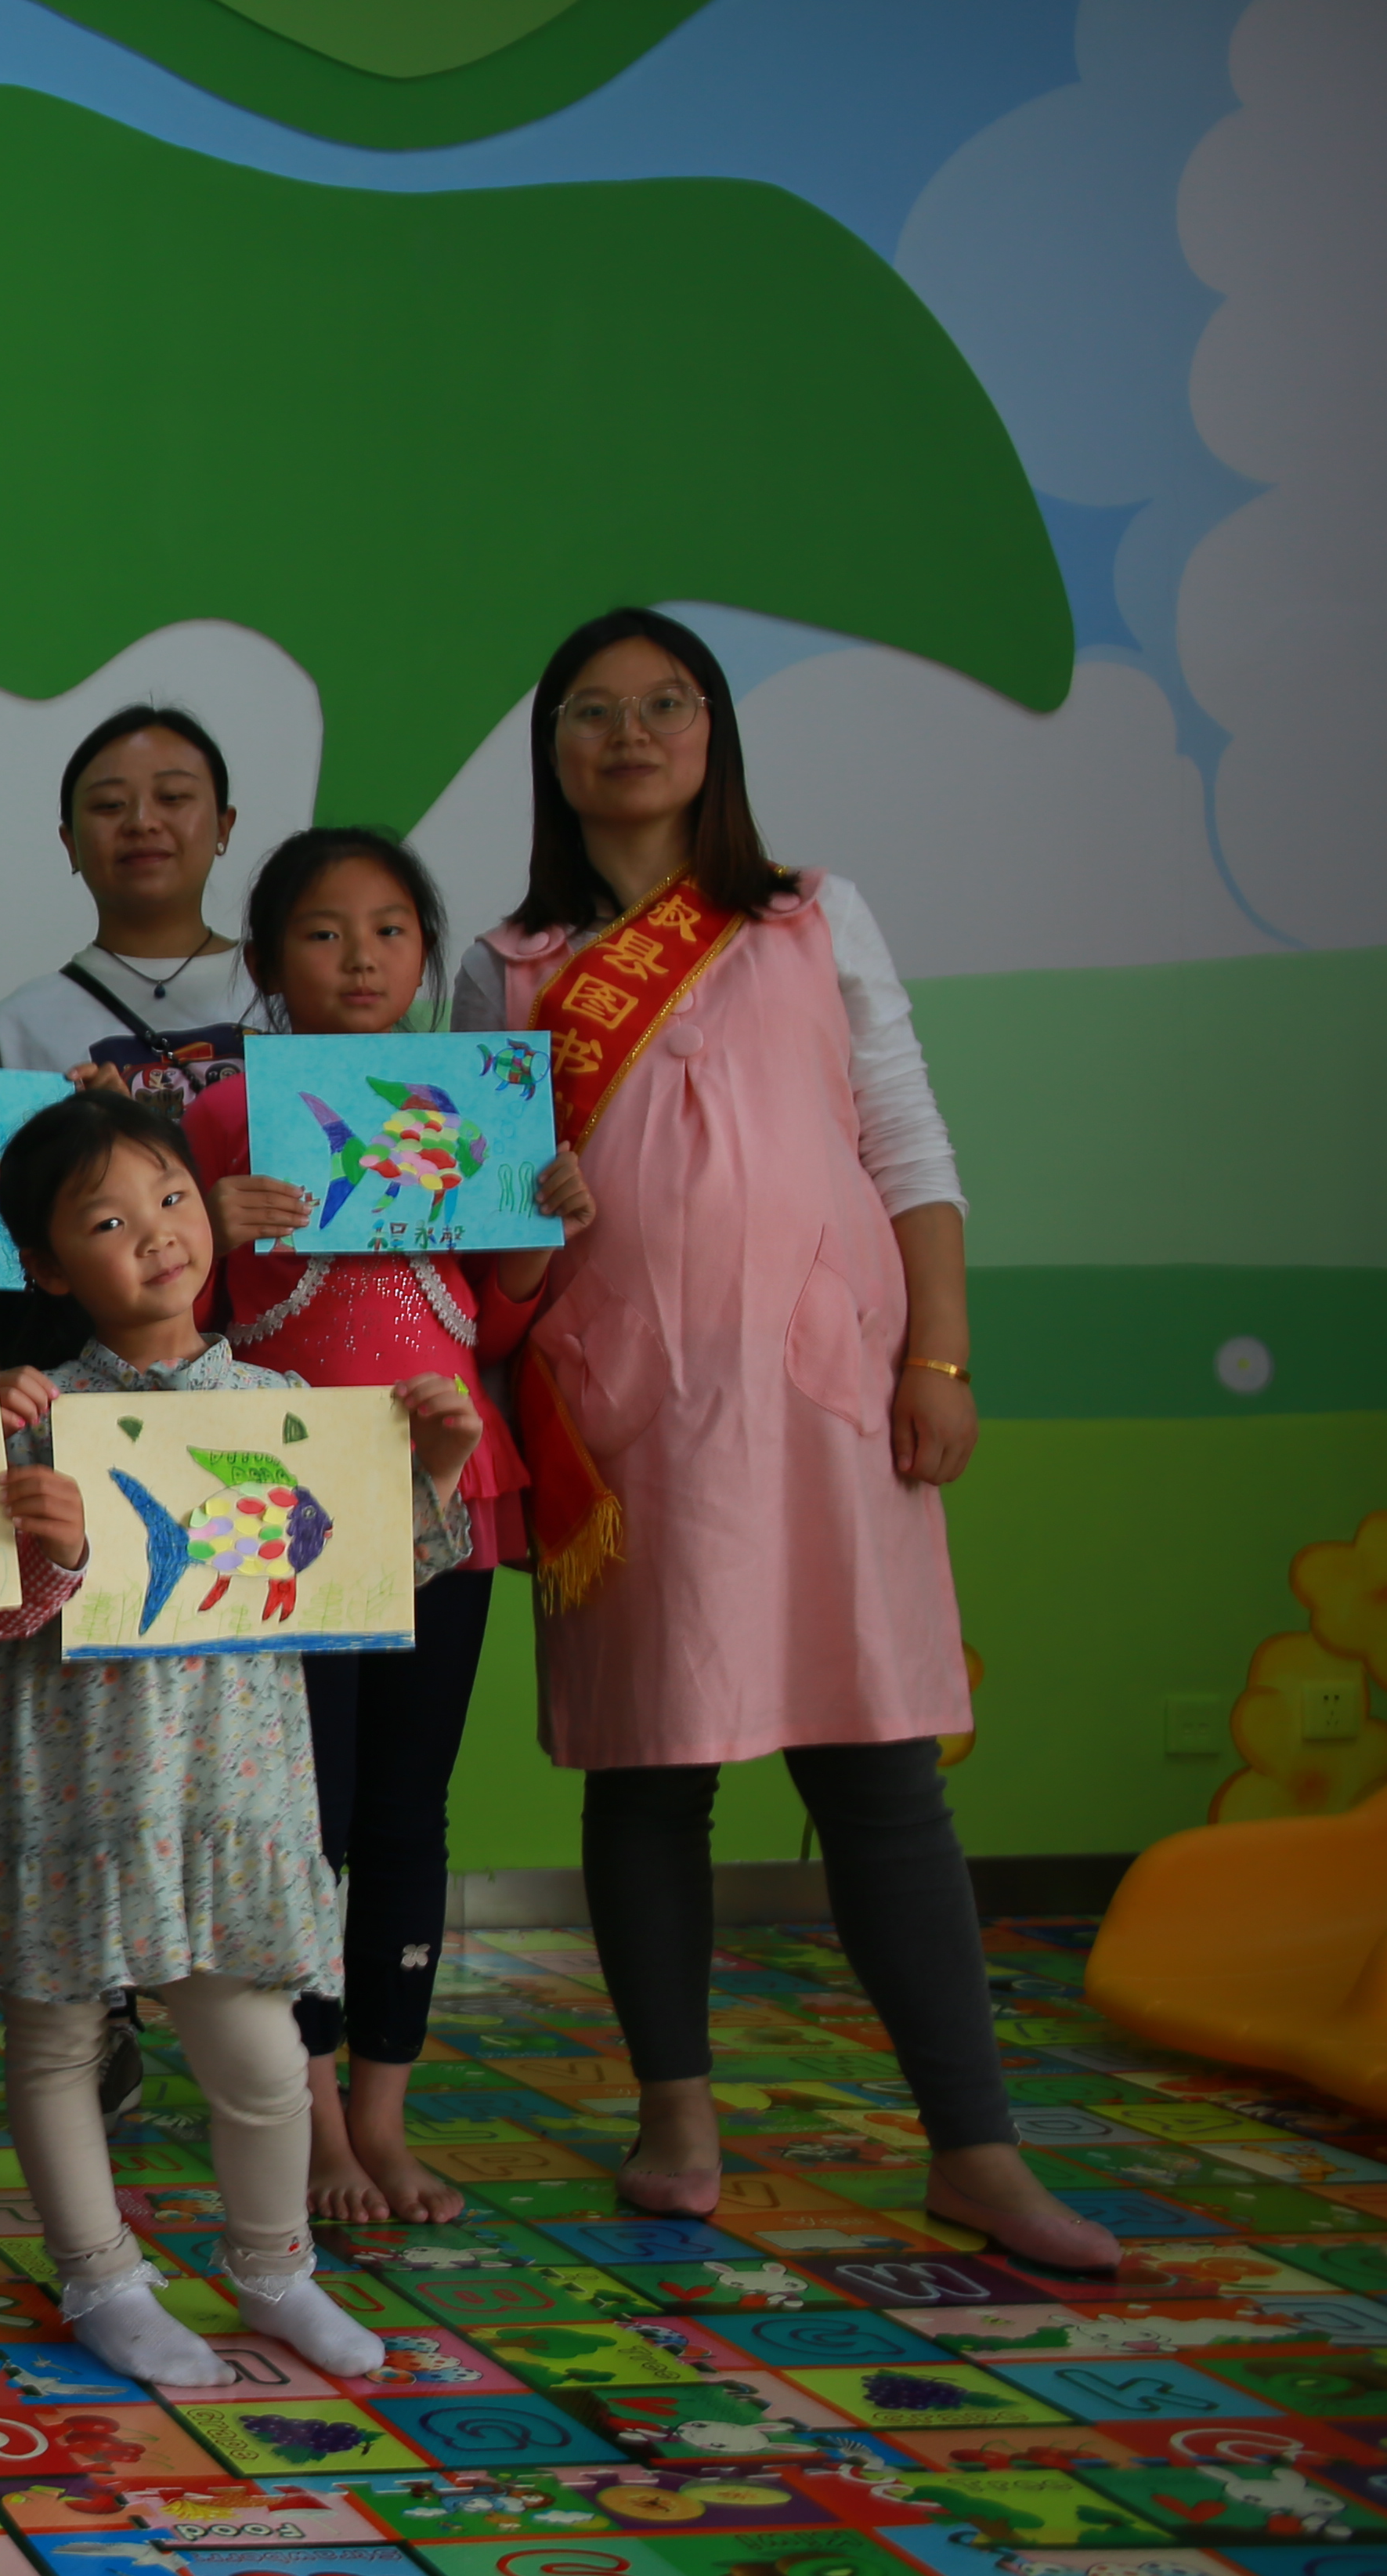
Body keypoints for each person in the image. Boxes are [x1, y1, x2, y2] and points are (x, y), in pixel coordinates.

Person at [451, 606, 1109, 2273]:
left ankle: (975, 2146)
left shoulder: (813, 917)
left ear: (713, 733)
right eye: (592, 710)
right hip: (627, 1417)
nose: (629, 734)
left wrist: (939, 1354)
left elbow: (907, 1139)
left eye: (665, 703)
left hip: (828, 1398)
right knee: (650, 1773)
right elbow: (484, 1238)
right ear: (550, 750)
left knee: (879, 1769)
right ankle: (676, 2115)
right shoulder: (508, 966)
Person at [0, 1089, 481, 2386]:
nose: (155, 1233)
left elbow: (376, 1574)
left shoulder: (282, 1402)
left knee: (261, 2058)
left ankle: (274, 2270)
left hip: (226, 1782)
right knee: (58, 2045)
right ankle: (100, 2280)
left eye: (172, 1198)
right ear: (43, 1265)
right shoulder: (34, 1412)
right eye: (105, 1220)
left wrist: (436, 1463)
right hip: (63, 1775)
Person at [190, 833, 591, 2224]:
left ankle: (381, 2114)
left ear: (426, 955)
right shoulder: (223, 1117)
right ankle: (309, 2122)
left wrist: (539, 1226)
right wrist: (207, 1223)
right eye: (321, 932)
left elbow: (502, 1322)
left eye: (389, 931)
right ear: (264, 961)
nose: (358, 958)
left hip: (445, 1490)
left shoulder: (476, 1109)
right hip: (277, 1506)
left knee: (408, 1810)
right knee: (299, 1818)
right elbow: (175, 1319)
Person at [0, 706, 253, 1089]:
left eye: (173, 797)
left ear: (224, 827)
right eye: (110, 805)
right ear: (70, 844)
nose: (142, 822)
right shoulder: (10, 1036)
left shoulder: (288, 996)